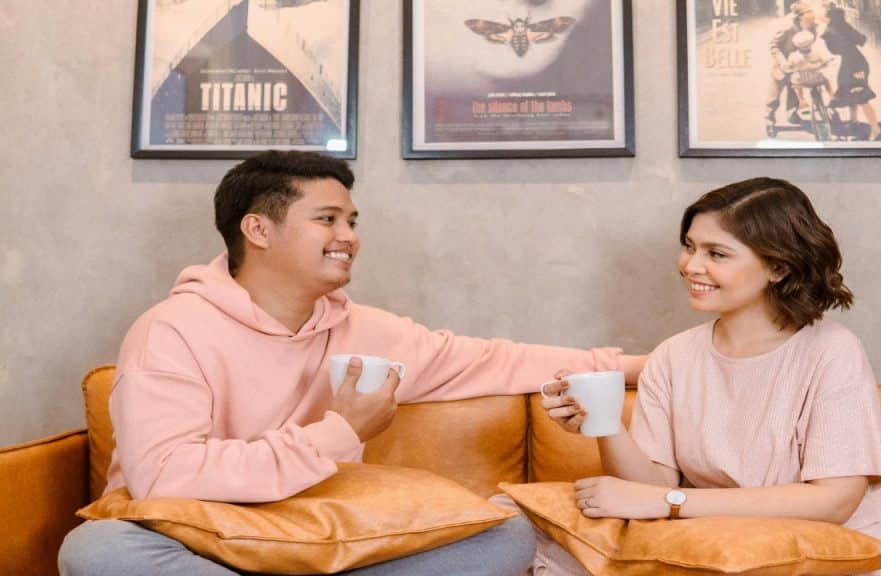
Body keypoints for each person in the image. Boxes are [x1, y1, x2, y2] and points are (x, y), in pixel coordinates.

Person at [58, 150, 645, 576]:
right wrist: (338, 433)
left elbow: (493, 360)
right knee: (100, 551)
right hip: (199, 539)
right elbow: (165, 476)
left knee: (504, 537)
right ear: (258, 229)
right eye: (328, 219)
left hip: (322, 535)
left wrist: (646, 366)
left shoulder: (362, 328)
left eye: (352, 222)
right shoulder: (172, 330)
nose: (349, 236)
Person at [538, 177, 881, 576]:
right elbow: (649, 486)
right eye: (689, 246)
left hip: (834, 559)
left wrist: (671, 502)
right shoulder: (672, 357)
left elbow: (834, 502)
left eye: (717, 253)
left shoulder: (832, 351)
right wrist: (605, 422)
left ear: (778, 267)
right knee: (538, 539)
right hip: (730, 554)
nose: (691, 266)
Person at [821, 3, 881, 140]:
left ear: (830, 18)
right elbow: (861, 39)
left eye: (825, 14)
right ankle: (854, 122)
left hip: (855, 65)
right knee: (849, 92)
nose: (822, 16)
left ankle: (875, 129)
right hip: (853, 62)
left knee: (862, 97)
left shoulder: (831, 31)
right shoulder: (842, 27)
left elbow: (834, 50)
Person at [766, 2, 818, 128]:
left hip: (798, 61)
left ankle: (792, 113)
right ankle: (769, 116)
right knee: (777, 90)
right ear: (800, 17)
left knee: (794, 87)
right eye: (809, 14)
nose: (812, 17)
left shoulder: (812, 25)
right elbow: (773, 46)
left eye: (812, 13)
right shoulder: (787, 27)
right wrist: (783, 62)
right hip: (783, 61)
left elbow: (811, 40)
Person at [785, 30, 834, 120]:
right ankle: (832, 95)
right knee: (826, 81)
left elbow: (788, 68)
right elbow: (825, 62)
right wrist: (823, 65)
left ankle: (801, 101)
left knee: (795, 83)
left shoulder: (793, 55)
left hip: (802, 81)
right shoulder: (816, 53)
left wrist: (792, 68)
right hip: (816, 79)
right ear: (811, 44)